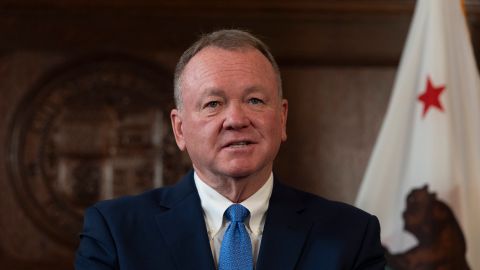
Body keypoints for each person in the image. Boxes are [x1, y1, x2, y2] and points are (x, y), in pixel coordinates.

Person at [75, 29, 386, 270]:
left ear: (282, 118)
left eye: (255, 100)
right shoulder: (115, 232)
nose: (236, 119)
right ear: (180, 129)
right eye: (213, 104)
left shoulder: (351, 235)